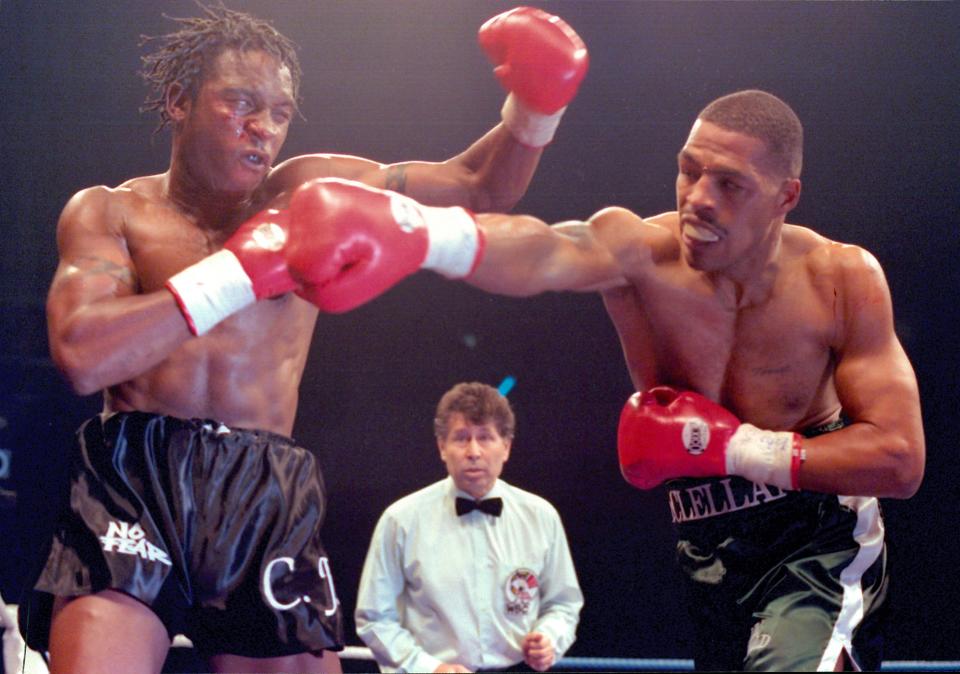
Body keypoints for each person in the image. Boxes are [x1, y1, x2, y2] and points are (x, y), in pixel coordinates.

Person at [269, 89, 925, 671]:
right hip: (705, 556)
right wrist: (418, 234)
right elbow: (546, 250)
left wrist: (734, 450)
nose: (698, 199)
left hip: (816, 545)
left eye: (730, 184)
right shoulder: (640, 255)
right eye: (689, 171)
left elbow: (900, 461)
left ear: (786, 196)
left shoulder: (839, 280)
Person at [21, 4, 588, 673]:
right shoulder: (111, 211)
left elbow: (480, 187)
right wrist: (238, 273)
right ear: (179, 101)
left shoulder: (310, 189)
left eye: (279, 113)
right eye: (239, 104)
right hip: (134, 481)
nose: (262, 130)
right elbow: (83, 357)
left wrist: (535, 109)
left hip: (264, 489)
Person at [355, 382, 583, 673]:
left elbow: (563, 604)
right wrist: (428, 668)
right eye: (461, 438)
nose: (473, 451)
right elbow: (374, 618)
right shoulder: (401, 520)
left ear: (506, 447)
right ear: (442, 447)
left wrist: (549, 638)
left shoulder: (540, 517)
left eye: (485, 437)